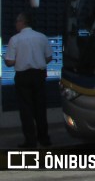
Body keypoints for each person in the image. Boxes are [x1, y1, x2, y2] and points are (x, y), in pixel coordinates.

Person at [3, 12, 53, 148]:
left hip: (23, 77)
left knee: (26, 110)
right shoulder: (42, 37)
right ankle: (44, 138)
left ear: (22, 22)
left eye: (17, 22)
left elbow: (10, 62)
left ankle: (30, 141)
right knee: (40, 108)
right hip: (39, 76)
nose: (15, 25)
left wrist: (7, 58)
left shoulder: (15, 39)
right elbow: (49, 58)